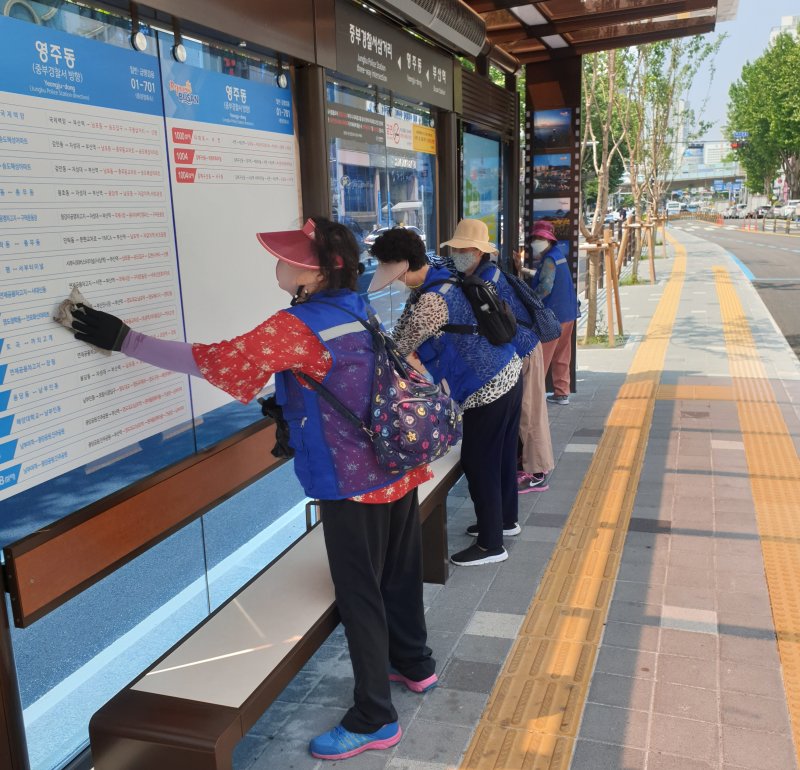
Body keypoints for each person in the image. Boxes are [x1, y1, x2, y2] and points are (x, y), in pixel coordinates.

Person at [64, 217, 436, 761]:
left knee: (360, 594)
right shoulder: (355, 305)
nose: (277, 264)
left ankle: (375, 717)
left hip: (351, 479)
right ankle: (415, 663)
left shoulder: (294, 326)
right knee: (399, 572)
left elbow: (211, 360)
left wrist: (125, 339)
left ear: (310, 272)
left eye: (286, 257)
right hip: (397, 461)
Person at [368, 224, 523, 567]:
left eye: (394, 273)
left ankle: (490, 545)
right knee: (500, 455)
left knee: (478, 461)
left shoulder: (431, 299)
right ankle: (504, 521)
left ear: (406, 265)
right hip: (508, 371)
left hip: (487, 387)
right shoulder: (443, 274)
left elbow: (397, 349)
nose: (393, 281)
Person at [445, 219, 554, 495]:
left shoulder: (486, 280)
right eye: (455, 249)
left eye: (464, 249)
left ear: (479, 252)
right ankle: (526, 466)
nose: (458, 255)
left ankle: (538, 472)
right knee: (524, 415)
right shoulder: (481, 274)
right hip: (515, 350)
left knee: (531, 414)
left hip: (525, 348)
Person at [527, 221, 578, 405]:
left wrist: (529, 299)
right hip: (568, 312)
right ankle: (562, 392)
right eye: (536, 238)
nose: (537, 241)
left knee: (542, 357)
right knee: (562, 354)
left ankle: (536, 398)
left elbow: (546, 287)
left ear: (549, 240)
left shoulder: (549, 259)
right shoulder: (558, 255)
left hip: (553, 316)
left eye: (541, 238)